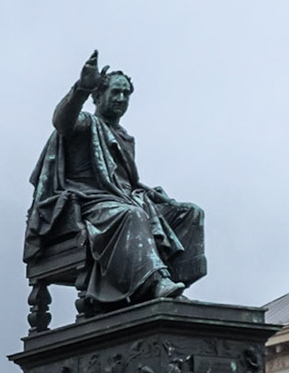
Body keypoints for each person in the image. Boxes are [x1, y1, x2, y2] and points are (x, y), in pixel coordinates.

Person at [23, 51, 206, 316]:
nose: (121, 99)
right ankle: (155, 282)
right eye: (115, 93)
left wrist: (153, 195)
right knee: (130, 214)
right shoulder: (86, 123)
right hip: (87, 205)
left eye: (126, 94)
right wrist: (81, 88)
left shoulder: (125, 138)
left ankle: (168, 287)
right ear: (98, 96)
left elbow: (126, 182)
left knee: (190, 213)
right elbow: (61, 122)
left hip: (123, 200)